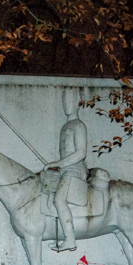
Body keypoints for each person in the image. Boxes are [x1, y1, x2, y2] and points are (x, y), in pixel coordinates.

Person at [44, 88, 87, 252]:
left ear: (78, 103)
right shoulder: (65, 126)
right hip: (64, 170)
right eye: (64, 101)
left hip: (74, 170)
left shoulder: (79, 126)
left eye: (70, 100)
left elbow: (81, 153)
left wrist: (59, 163)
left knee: (58, 200)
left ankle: (70, 239)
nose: (66, 104)